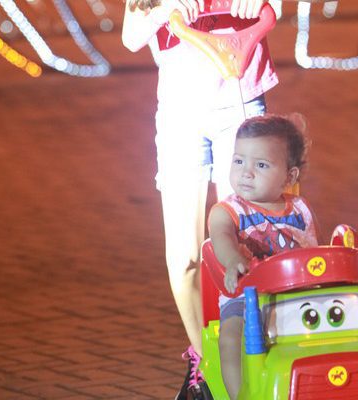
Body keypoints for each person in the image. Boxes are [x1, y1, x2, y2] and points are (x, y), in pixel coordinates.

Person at [121, 0, 278, 396]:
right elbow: (131, 36)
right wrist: (167, 8)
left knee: (249, 244)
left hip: (239, 97)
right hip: (180, 112)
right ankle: (206, 365)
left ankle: (255, 358)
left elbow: (273, 8)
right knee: (184, 257)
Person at [208, 114, 319, 399]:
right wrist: (233, 260)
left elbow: (311, 252)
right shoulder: (227, 212)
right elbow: (221, 237)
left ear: (289, 177)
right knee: (231, 337)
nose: (246, 172)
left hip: (295, 294)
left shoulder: (300, 209)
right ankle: (240, 395)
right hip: (247, 296)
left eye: (261, 165)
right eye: (239, 161)